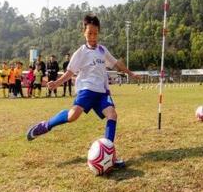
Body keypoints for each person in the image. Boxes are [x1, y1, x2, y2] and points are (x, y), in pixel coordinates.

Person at [26, 14, 139, 169]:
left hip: (102, 92)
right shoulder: (81, 52)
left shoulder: (102, 50)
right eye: (89, 33)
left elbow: (116, 63)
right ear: (84, 33)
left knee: (112, 115)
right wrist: (56, 83)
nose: (93, 37)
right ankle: (46, 125)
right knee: (72, 116)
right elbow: (70, 72)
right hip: (86, 89)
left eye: (95, 33)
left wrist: (130, 73)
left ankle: (109, 155)